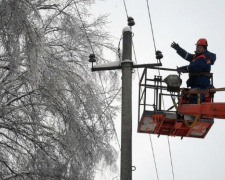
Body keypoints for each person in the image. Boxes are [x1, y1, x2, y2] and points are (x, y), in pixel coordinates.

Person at [171, 38, 216, 103]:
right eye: (197, 47)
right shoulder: (198, 56)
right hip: (196, 84)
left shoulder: (204, 58)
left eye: (200, 47)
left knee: (195, 103)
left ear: (204, 48)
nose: (198, 49)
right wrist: (178, 49)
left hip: (201, 85)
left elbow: (194, 67)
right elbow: (187, 56)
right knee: (192, 101)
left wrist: (183, 68)